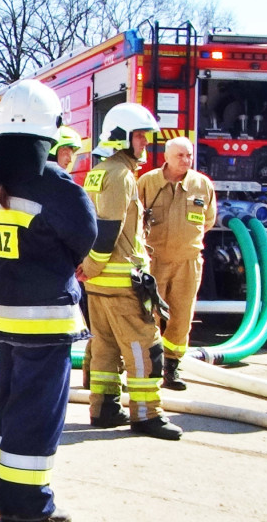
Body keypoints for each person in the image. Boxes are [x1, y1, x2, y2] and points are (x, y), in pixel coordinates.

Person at [0, 80, 96, 522]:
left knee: (7, 401)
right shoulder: (53, 183)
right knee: (37, 414)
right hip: (45, 321)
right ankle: (26, 505)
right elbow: (85, 236)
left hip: (5, 315)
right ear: (49, 131)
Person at [76, 103, 183, 441]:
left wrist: (89, 271)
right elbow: (108, 228)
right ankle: (146, 414)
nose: (144, 144)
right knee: (143, 347)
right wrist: (93, 265)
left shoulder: (98, 171)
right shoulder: (121, 174)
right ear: (121, 137)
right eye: (139, 137)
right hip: (121, 282)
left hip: (97, 286)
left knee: (105, 346)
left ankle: (104, 407)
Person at [137, 137, 216, 390]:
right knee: (147, 315)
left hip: (187, 261)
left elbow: (208, 221)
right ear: (167, 158)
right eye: (180, 155)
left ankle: (172, 367)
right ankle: (149, 367)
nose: (186, 160)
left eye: (189, 155)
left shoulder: (202, 185)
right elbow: (134, 218)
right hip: (154, 260)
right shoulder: (148, 182)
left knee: (181, 316)